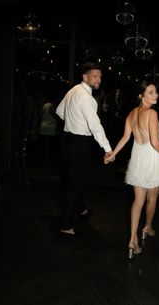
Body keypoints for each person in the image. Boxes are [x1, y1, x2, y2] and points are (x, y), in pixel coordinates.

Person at [104, 81, 159, 258]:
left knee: (138, 200)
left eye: (156, 91)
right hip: (152, 158)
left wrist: (112, 154)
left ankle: (132, 239)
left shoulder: (131, 114)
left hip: (137, 158)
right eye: (150, 92)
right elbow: (155, 142)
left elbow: (125, 138)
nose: (155, 95)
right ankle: (147, 227)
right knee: (152, 198)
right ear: (141, 96)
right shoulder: (151, 113)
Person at [56, 62, 113, 237]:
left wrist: (73, 121)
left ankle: (79, 208)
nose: (99, 79)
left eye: (100, 76)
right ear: (85, 77)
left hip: (67, 141)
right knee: (74, 183)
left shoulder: (73, 91)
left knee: (75, 178)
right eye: (95, 76)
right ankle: (65, 224)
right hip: (79, 144)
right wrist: (108, 149)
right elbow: (96, 126)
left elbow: (59, 111)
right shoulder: (87, 98)